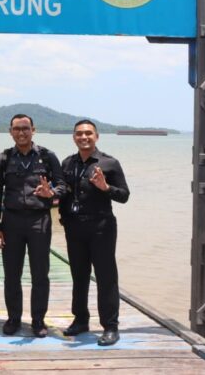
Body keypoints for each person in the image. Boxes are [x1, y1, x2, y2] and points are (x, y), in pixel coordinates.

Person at [0, 114, 65, 338]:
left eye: (25, 128)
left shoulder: (47, 156)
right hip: (11, 221)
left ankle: (38, 320)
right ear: (10, 131)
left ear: (34, 129)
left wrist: (51, 193)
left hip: (39, 220)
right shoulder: (3, 158)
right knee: (11, 274)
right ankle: (13, 318)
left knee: (40, 274)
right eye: (17, 129)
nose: (21, 133)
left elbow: (62, 185)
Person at [59, 119, 130, 346]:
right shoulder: (68, 163)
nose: (84, 137)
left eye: (88, 133)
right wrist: (62, 216)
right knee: (79, 276)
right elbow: (63, 194)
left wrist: (105, 188)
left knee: (106, 277)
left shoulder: (109, 163)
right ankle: (80, 320)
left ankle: (110, 326)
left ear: (96, 136)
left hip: (101, 227)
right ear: (74, 137)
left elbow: (124, 195)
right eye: (79, 134)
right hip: (74, 227)